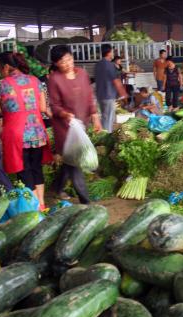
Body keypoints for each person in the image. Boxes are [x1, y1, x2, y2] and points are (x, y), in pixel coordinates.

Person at [0, 52, 52, 208]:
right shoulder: (35, 80)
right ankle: (42, 203)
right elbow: (43, 108)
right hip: (37, 131)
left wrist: (5, 110)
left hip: (16, 132)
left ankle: (35, 206)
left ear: (6, 67)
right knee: (36, 168)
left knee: (24, 170)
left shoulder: (2, 84)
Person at [47, 45, 102, 204]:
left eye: (69, 59)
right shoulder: (55, 79)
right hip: (65, 127)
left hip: (81, 124)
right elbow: (55, 105)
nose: (68, 63)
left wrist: (95, 117)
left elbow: (90, 97)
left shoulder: (82, 74)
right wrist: (64, 114)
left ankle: (57, 188)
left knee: (69, 160)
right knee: (75, 161)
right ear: (56, 64)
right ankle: (85, 200)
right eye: (63, 62)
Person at [95, 44, 128, 133]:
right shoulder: (110, 65)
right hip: (108, 95)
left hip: (99, 95)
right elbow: (116, 80)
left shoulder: (98, 64)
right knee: (108, 119)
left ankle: (105, 134)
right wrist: (123, 93)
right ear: (109, 53)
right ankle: (105, 137)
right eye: (112, 51)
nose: (113, 53)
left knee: (106, 116)